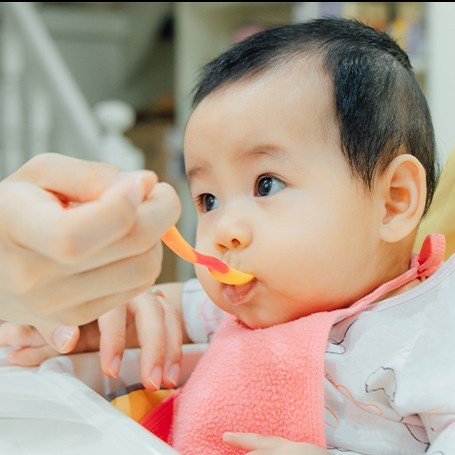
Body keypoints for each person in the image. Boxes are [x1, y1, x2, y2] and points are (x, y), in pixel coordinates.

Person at [3, 17, 455, 454]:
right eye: (208, 201)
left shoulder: (429, 331)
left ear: (393, 200)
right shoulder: (242, 306)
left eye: (266, 184)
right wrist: (81, 327)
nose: (224, 233)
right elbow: (154, 318)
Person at [0, 152, 183, 385]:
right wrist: (102, 314)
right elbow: (188, 307)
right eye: (209, 200)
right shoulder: (209, 308)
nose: (226, 230)